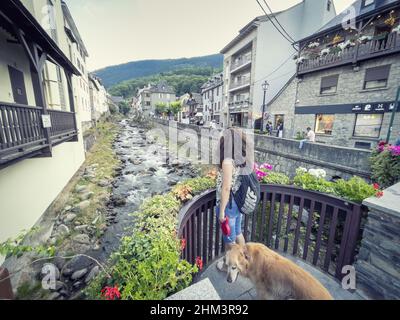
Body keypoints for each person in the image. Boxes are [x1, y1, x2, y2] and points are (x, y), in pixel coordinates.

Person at [215, 128, 253, 272]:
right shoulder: (240, 158)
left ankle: (228, 265)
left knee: (229, 241)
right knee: (237, 232)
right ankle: (246, 260)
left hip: (229, 206)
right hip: (237, 204)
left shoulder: (227, 162)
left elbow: (226, 188)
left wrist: (222, 212)